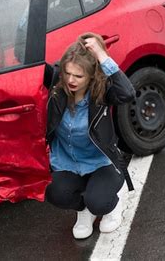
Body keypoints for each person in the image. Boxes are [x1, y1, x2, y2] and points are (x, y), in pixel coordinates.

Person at [45, 32, 136, 239]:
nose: (71, 80)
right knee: (54, 193)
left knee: (99, 202)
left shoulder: (102, 94)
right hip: (67, 163)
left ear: (91, 76)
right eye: (68, 73)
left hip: (99, 164)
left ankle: (113, 205)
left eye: (78, 76)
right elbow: (30, 63)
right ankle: (83, 210)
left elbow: (128, 93)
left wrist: (101, 55)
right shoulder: (57, 86)